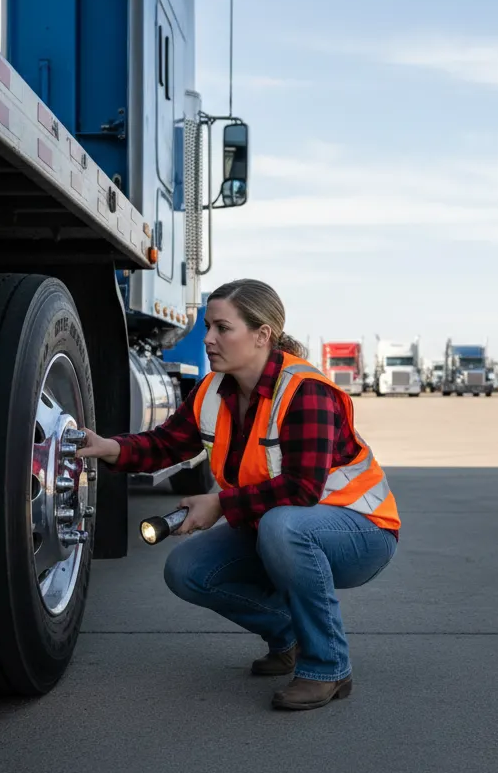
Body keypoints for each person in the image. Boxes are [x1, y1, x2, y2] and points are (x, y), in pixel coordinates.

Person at [77, 279, 400, 711]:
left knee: (283, 525)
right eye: (208, 326)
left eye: (222, 328)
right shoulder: (213, 390)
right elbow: (165, 445)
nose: (208, 339)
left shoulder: (306, 393)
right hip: (279, 526)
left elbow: (301, 490)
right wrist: (109, 447)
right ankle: (289, 634)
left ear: (262, 335)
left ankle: (328, 666)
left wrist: (219, 504)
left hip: (360, 531)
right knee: (187, 569)